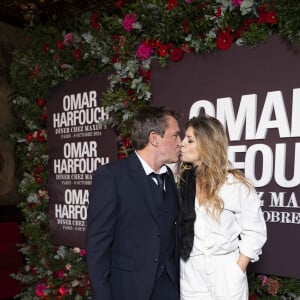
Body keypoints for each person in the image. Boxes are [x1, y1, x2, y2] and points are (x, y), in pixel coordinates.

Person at [86, 106, 182, 300]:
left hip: (168, 288)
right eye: (175, 136)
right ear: (154, 138)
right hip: (129, 289)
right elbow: (97, 248)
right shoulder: (112, 176)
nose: (181, 143)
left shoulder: (168, 176)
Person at [179, 114, 267, 300]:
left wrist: (237, 269)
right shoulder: (180, 181)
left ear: (207, 143)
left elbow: (255, 232)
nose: (182, 144)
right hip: (191, 271)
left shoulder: (234, 184)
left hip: (225, 271)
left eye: (190, 139)